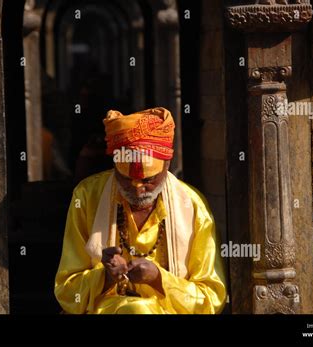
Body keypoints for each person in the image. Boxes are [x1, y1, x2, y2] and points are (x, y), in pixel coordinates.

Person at [54, 107, 226, 314]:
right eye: (125, 178)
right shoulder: (87, 196)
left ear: (167, 164)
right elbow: (67, 293)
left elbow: (212, 298)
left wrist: (158, 279)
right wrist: (106, 277)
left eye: (148, 180)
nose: (137, 188)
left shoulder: (193, 205)